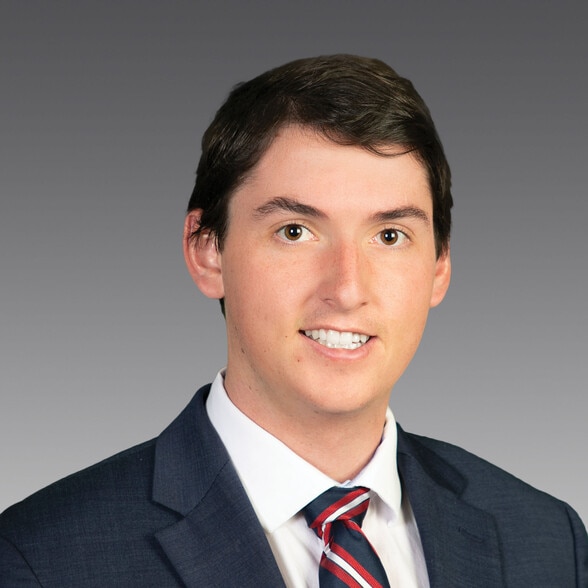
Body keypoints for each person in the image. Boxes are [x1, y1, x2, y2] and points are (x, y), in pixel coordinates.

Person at [0, 54, 586, 587]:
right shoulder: (41, 560)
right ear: (207, 252)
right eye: (295, 231)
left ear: (439, 267)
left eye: (389, 236)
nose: (347, 289)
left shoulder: (548, 540)